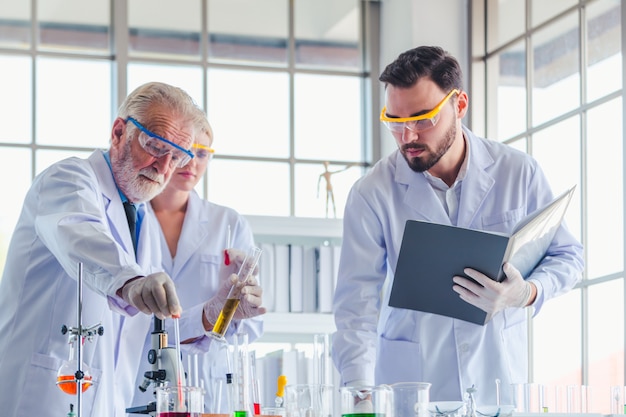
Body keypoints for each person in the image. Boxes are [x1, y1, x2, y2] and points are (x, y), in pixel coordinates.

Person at [331, 46, 584, 406]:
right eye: (395, 122)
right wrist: (359, 396)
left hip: (497, 385)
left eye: (422, 119)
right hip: (413, 389)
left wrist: (525, 293)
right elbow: (356, 307)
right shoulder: (372, 193)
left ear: (459, 105)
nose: (407, 137)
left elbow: (569, 255)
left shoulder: (518, 172)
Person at [0, 82, 212, 417]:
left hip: (106, 404)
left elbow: (148, 328)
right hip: (40, 399)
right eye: (156, 146)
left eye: (177, 157)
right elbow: (81, 238)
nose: (164, 168)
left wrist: (208, 316)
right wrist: (131, 283)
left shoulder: (144, 223)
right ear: (118, 132)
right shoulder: (68, 179)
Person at [129, 116, 265, 413]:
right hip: (138, 375)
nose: (192, 162)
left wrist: (236, 308)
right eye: (185, 151)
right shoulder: (131, 216)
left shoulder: (228, 223)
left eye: (202, 153)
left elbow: (251, 328)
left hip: (207, 382)